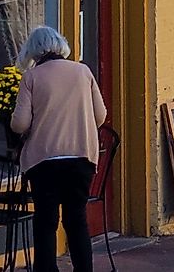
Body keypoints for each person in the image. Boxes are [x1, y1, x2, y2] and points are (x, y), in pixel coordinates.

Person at [10, 25, 107, 272]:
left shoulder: (32, 77)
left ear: (34, 50)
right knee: (77, 220)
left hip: (44, 160)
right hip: (81, 157)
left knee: (46, 221)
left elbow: (19, 124)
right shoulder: (83, 72)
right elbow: (101, 115)